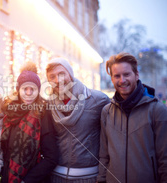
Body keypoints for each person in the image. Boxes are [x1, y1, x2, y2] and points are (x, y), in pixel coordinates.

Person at [97, 52, 167, 183]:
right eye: (117, 76)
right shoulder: (107, 112)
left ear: (136, 75)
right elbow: (104, 156)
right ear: (111, 78)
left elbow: (165, 159)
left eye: (126, 74)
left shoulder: (157, 110)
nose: (122, 80)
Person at [45, 57, 110, 182]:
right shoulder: (48, 105)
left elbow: (110, 140)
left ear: (70, 74)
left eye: (61, 74)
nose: (58, 80)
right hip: (57, 177)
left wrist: (103, 175)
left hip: (89, 177)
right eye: (52, 77)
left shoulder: (98, 100)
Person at [0, 62, 58, 183]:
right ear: (18, 89)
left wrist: (27, 181)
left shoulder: (42, 113)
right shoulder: (9, 111)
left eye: (33, 89)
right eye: (24, 88)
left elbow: (51, 158)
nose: (28, 93)